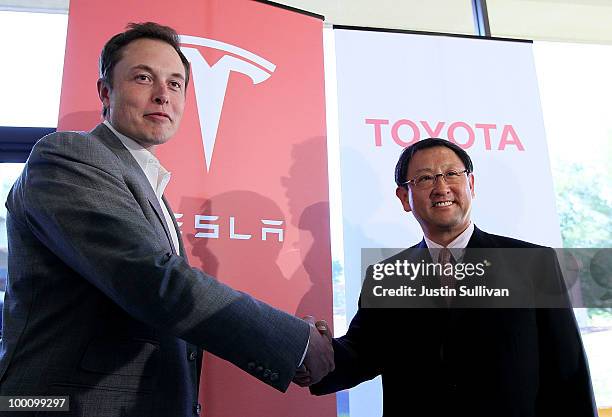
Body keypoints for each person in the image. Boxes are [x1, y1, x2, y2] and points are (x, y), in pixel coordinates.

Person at [0, 22, 333, 417]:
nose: (162, 95)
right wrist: (295, 343)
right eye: (144, 77)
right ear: (106, 92)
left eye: (176, 84)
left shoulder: (145, 181)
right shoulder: (70, 154)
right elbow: (152, 280)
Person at [305, 138, 597, 417]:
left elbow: (568, 374)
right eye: (425, 178)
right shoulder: (387, 276)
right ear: (404, 197)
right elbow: (360, 355)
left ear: (470, 184)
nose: (441, 187)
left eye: (451, 174)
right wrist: (315, 350)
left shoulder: (534, 264)